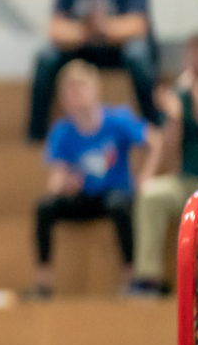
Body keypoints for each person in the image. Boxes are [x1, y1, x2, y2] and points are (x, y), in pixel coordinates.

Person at [27, 0, 159, 141]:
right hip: (86, 49)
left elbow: (138, 26)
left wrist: (103, 28)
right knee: (45, 57)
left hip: (118, 51)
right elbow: (55, 28)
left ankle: (153, 125)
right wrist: (87, 32)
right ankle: (37, 134)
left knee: (138, 54)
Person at [34, 60, 158, 297]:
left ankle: (131, 277)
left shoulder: (117, 119)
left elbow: (155, 140)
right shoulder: (62, 131)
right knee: (44, 208)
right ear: (63, 99)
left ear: (95, 91)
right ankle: (44, 283)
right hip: (84, 197)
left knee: (119, 205)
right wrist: (65, 185)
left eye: (81, 88)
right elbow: (55, 180)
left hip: (116, 195)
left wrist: (146, 176)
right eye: (71, 91)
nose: (77, 96)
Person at [132, 34, 198, 294]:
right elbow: (171, 154)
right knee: (151, 196)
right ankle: (148, 278)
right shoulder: (179, 96)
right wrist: (174, 118)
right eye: (192, 54)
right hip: (186, 176)